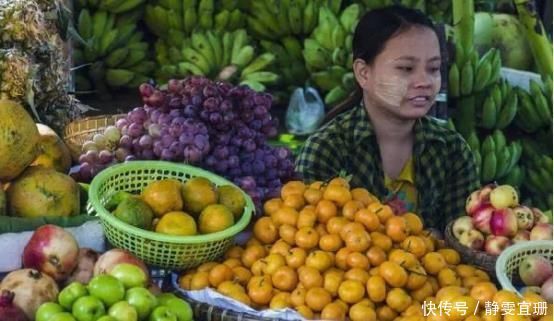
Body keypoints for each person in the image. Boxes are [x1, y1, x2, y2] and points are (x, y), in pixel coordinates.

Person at [295, 5, 480, 232]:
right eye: (405, 68)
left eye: (434, 68)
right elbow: (308, 240)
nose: (424, 81)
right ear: (364, 73)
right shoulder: (325, 150)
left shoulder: (452, 151)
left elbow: (464, 238)